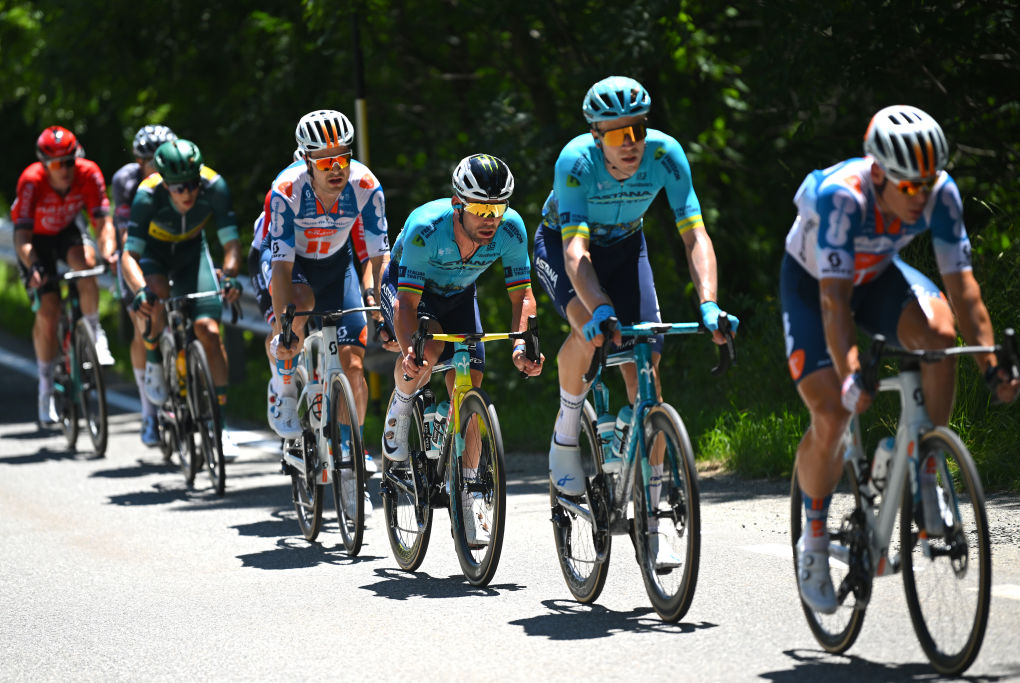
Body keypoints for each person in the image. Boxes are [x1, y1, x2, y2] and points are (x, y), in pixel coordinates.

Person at [782, 105, 1020, 614]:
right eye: (908, 186)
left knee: (939, 335)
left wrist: (991, 365)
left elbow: (963, 287)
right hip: (814, 286)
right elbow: (832, 303)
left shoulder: (940, 192)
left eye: (927, 183)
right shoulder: (842, 198)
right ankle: (816, 540)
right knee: (832, 411)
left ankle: (925, 465)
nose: (920, 196)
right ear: (877, 174)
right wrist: (851, 374)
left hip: (878, 278)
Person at [533, 76, 737, 566]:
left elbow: (695, 236)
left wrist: (708, 303)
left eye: (638, 130)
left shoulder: (666, 155)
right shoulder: (575, 162)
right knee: (590, 326)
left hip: (626, 247)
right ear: (596, 133)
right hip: (566, 249)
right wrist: (601, 309)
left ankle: (657, 509)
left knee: (647, 362)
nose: (630, 143)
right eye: (617, 133)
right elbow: (577, 251)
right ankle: (565, 436)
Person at [378, 153, 544, 546]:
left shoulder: (512, 229)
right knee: (427, 351)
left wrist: (522, 343)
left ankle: (469, 493)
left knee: (470, 390)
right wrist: (410, 353)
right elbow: (406, 305)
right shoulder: (426, 229)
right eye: (480, 208)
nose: (490, 218)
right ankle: (400, 410)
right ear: (457, 204)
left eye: (498, 208)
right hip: (407, 290)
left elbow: (522, 296)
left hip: (458, 295)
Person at [267, 110, 391, 516]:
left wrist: (378, 304)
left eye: (343, 157)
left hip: (338, 267)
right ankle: (284, 386)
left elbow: (377, 254)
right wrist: (286, 323)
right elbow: (281, 267)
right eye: (325, 161)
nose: (337, 168)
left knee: (354, 363)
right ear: (306, 160)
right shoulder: (286, 189)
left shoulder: (365, 184)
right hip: (295, 267)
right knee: (297, 311)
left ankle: (350, 455)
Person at [120, 138, 243, 458]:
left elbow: (230, 245)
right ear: (164, 182)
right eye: (178, 188)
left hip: (192, 253)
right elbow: (129, 255)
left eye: (192, 184)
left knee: (210, 332)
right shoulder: (147, 194)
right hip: (154, 254)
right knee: (155, 298)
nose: (187, 193)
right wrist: (139, 290)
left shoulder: (214, 186)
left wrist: (229, 275)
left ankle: (221, 425)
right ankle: (154, 360)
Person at [12, 125, 117, 425]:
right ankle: (45, 386)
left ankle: (94, 332)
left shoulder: (89, 173)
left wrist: (108, 251)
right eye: (58, 164)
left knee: (86, 263)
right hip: (35, 241)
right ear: (45, 164)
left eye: (70, 161)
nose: (66, 169)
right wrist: (33, 265)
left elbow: (102, 221)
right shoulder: (32, 181)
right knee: (48, 311)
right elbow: (22, 237)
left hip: (68, 231)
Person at [111, 124, 178, 446]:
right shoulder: (126, 181)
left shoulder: (181, 172)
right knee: (144, 322)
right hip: (139, 251)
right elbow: (126, 234)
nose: (162, 162)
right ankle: (149, 413)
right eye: (154, 159)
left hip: (173, 250)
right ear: (141, 163)